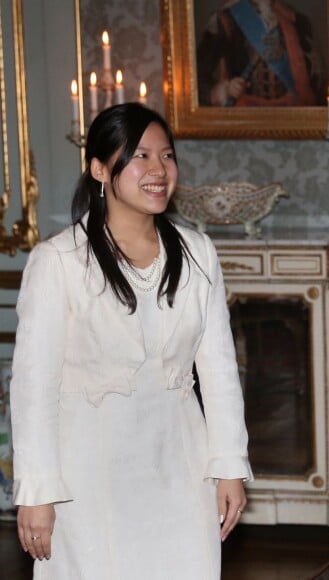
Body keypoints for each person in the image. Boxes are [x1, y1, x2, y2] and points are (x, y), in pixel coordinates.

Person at [10, 103, 253, 579]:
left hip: (180, 466)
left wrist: (228, 466)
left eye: (167, 156)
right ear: (100, 168)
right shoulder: (58, 261)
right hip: (90, 476)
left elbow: (221, 371)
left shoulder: (197, 252)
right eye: (140, 156)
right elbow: (33, 388)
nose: (158, 170)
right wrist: (37, 492)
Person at [196, 0, 324, 107]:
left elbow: (317, 82)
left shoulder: (298, 21)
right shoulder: (225, 21)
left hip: (290, 120)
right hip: (244, 123)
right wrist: (226, 90)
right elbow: (196, 82)